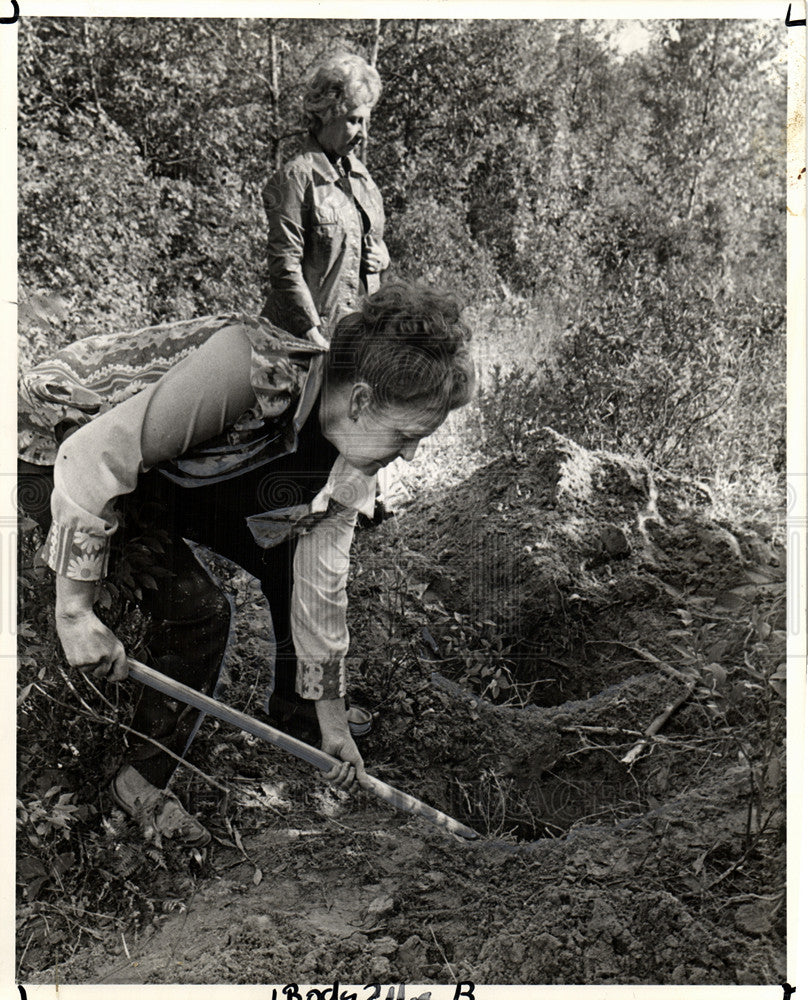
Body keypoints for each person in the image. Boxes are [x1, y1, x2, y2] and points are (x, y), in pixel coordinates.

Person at [18, 283, 474, 847]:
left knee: (289, 561)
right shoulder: (253, 370)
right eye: (408, 435)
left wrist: (331, 721)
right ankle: (137, 785)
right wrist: (74, 613)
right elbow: (90, 457)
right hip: (53, 443)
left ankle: (299, 723)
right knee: (202, 612)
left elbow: (320, 590)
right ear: (359, 401)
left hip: (173, 471)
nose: (408, 453)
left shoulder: (352, 464)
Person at [261, 52, 389, 345]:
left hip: (357, 337)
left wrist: (383, 258)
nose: (363, 134)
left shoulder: (363, 179)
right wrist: (312, 332)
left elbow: (369, 244)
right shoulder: (295, 178)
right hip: (301, 341)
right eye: (354, 121)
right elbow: (284, 267)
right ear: (327, 115)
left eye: (366, 122)